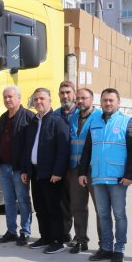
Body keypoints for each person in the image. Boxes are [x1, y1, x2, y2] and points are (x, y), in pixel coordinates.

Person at [78, 88, 132, 262]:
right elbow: (87, 149)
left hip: (118, 178)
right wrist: (82, 172)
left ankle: (119, 249)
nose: (108, 103)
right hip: (97, 176)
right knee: (103, 214)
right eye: (105, 100)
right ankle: (106, 248)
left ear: (118, 103)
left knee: (119, 215)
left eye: (111, 100)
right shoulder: (94, 122)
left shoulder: (127, 122)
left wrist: (129, 174)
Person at [21, 88, 71, 254]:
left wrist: (58, 172)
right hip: (36, 173)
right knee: (40, 207)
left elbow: (63, 149)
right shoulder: (33, 122)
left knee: (54, 208)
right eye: (36, 99)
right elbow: (28, 148)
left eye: (42, 99)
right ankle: (45, 237)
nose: (39, 102)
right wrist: (26, 170)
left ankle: (58, 240)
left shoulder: (58, 121)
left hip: (52, 175)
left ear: (50, 101)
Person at [0, 86, 35, 246]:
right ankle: (11, 231)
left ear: (19, 98)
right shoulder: (3, 117)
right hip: (4, 167)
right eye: (5, 97)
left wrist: (26, 169)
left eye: (10, 97)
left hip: (20, 169)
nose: (7, 100)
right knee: (9, 201)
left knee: (23, 200)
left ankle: (25, 232)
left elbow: (30, 146)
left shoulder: (28, 117)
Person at [65, 88, 102, 254]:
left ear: (92, 99)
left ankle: (105, 243)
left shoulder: (100, 117)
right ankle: (81, 240)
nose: (80, 101)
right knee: (78, 206)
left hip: (94, 169)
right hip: (75, 168)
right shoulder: (71, 117)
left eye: (84, 98)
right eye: (78, 98)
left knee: (100, 208)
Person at [55, 80, 78, 245]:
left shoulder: (82, 114)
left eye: (68, 92)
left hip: (77, 167)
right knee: (62, 203)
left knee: (78, 204)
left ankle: (80, 235)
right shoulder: (55, 115)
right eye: (62, 93)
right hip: (60, 167)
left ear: (74, 94)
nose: (65, 96)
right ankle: (64, 233)